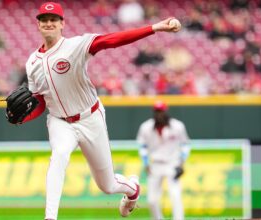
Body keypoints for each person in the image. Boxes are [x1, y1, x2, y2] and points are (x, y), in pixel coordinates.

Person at [18, 2, 181, 220]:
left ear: (62, 24)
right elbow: (39, 100)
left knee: (108, 185)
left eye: (53, 20)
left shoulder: (75, 46)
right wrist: (23, 118)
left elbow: (111, 40)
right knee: (59, 155)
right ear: (38, 24)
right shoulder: (32, 63)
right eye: (44, 20)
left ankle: (132, 189)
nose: (48, 23)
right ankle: (50, 217)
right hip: (60, 121)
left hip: (89, 117)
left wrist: (153, 28)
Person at [137, 100, 190, 220]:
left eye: (161, 111)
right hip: (155, 164)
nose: (159, 114)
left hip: (173, 163)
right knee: (152, 199)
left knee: (175, 195)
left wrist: (181, 163)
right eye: (157, 111)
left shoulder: (177, 126)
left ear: (166, 111)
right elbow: (142, 146)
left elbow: (185, 144)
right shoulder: (146, 127)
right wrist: (146, 163)